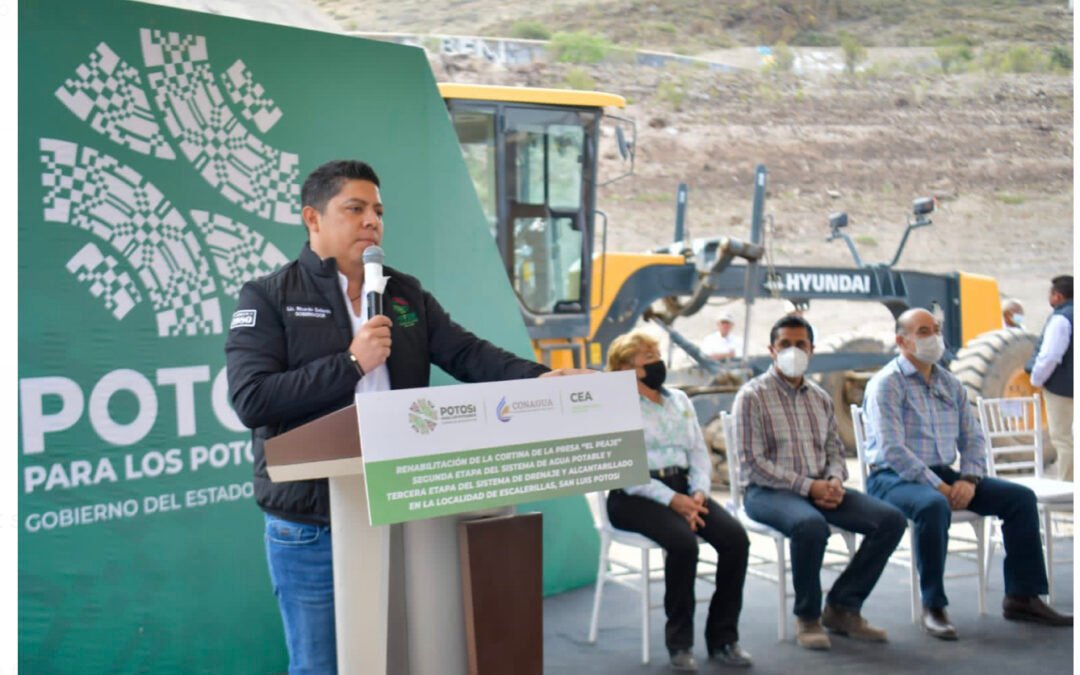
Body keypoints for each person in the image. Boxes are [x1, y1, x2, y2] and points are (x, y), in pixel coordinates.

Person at [225, 159, 587, 673]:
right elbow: (252, 400)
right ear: (313, 219)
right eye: (354, 208)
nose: (372, 220)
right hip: (312, 525)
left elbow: (469, 354)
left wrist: (537, 379)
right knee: (321, 665)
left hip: (404, 507)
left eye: (377, 210)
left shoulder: (404, 293)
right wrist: (351, 363)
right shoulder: (268, 297)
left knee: (401, 656)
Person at [862, 308, 1072, 641]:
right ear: (902, 341)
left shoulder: (949, 383)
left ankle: (1022, 596)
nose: (933, 338)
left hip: (945, 473)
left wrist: (968, 480)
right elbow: (892, 449)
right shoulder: (887, 384)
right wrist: (941, 487)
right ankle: (934, 606)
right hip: (892, 477)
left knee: (1020, 498)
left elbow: (973, 438)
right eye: (923, 331)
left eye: (935, 329)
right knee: (933, 506)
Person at [734, 315, 906, 651]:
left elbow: (835, 450)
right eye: (785, 344)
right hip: (766, 492)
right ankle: (808, 617)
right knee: (810, 525)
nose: (793, 351)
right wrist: (807, 487)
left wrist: (833, 480)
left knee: (891, 520)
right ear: (772, 350)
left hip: (819, 488)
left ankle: (843, 606)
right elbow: (752, 463)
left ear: (812, 350)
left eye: (801, 344)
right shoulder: (751, 396)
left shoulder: (821, 398)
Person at [605, 330, 752, 671]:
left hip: (685, 488)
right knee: (684, 545)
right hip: (634, 495)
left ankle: (723, 637)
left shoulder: (680, 401)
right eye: (649, 357)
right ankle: (680, 644)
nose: (658, 363)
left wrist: (698, 493)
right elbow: (628, 473)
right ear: (627, 368)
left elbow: (698, 453)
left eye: (657, 354)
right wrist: (674, 501)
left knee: (735, 539)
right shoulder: (615, 407)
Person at [1026, 275, 1073, 480]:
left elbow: (1050, 356)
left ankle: (1069, 491)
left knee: (1063, 439)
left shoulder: (1061, 319)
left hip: (1062, 389)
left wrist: (1036, 379)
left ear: (1058, 296)